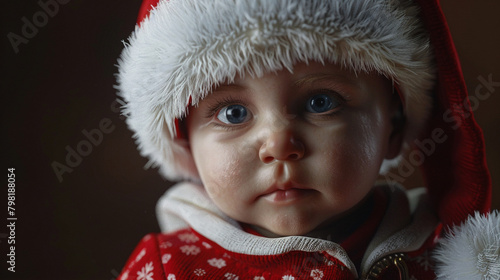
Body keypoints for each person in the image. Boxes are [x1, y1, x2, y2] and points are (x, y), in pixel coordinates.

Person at [116, 0, 497, 279]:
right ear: (186, 146)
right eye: (233, 113)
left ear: (393, 129)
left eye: (321, 102)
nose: (279, 145)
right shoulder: (170, 270)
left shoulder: (445, 258)